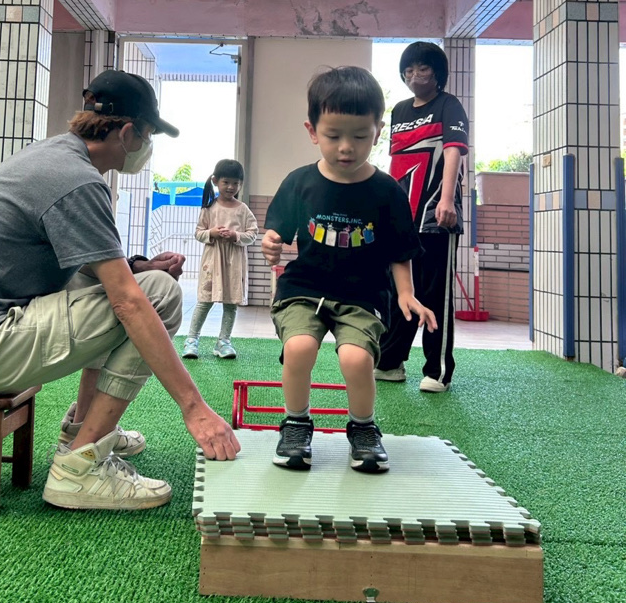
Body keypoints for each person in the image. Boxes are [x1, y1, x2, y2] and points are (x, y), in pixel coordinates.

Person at [0, 69, 240, 512]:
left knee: (132, 282)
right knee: (157, 295)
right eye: (147, 136)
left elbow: (86, 266)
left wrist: (138, 266)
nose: (147, 147)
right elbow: (128, 301)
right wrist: (194, 408)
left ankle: (84, 428)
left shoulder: (55, 157)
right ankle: (79, 468)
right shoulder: (77, 180)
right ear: (126, 133)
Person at [261, 65, 436, 473]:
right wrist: (271, 242)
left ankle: (363, 428)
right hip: (304, 288)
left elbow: (399, 251)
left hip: (363, 293)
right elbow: (277, 232)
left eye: (359, 136)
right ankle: (296, 424)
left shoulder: (387, 191)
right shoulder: (300, 182)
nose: (346, 147)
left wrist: (406, 293)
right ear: (312, 131)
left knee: (357, 360)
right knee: (299, 348)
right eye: (333, 135)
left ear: (377, 132)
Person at [375, 42, 469, 393]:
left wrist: (446, 200)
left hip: (436, 215)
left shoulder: (449, 105)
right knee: (398, 290)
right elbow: (396, 163)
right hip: (403, 216)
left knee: (434, 292)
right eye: (409, 70)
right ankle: (390, 362)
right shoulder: (399, 110)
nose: (415, 75)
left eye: (423, 69)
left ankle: (437, 371)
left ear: (438, 73)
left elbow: (453, 151)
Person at [182, 159, 258, 361]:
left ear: (241, 184)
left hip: (234, 263)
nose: (231, 187)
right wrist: (212, 233)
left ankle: (224, 341)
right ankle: (191, 340)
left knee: (231, 304)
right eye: (226, 182)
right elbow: (198, 233)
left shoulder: (243, 209)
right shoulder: (209, 208)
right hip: (212, 261)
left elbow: (253, 233)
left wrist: (235, 236)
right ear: (215, 181)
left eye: (235, 183)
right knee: (204, 301)